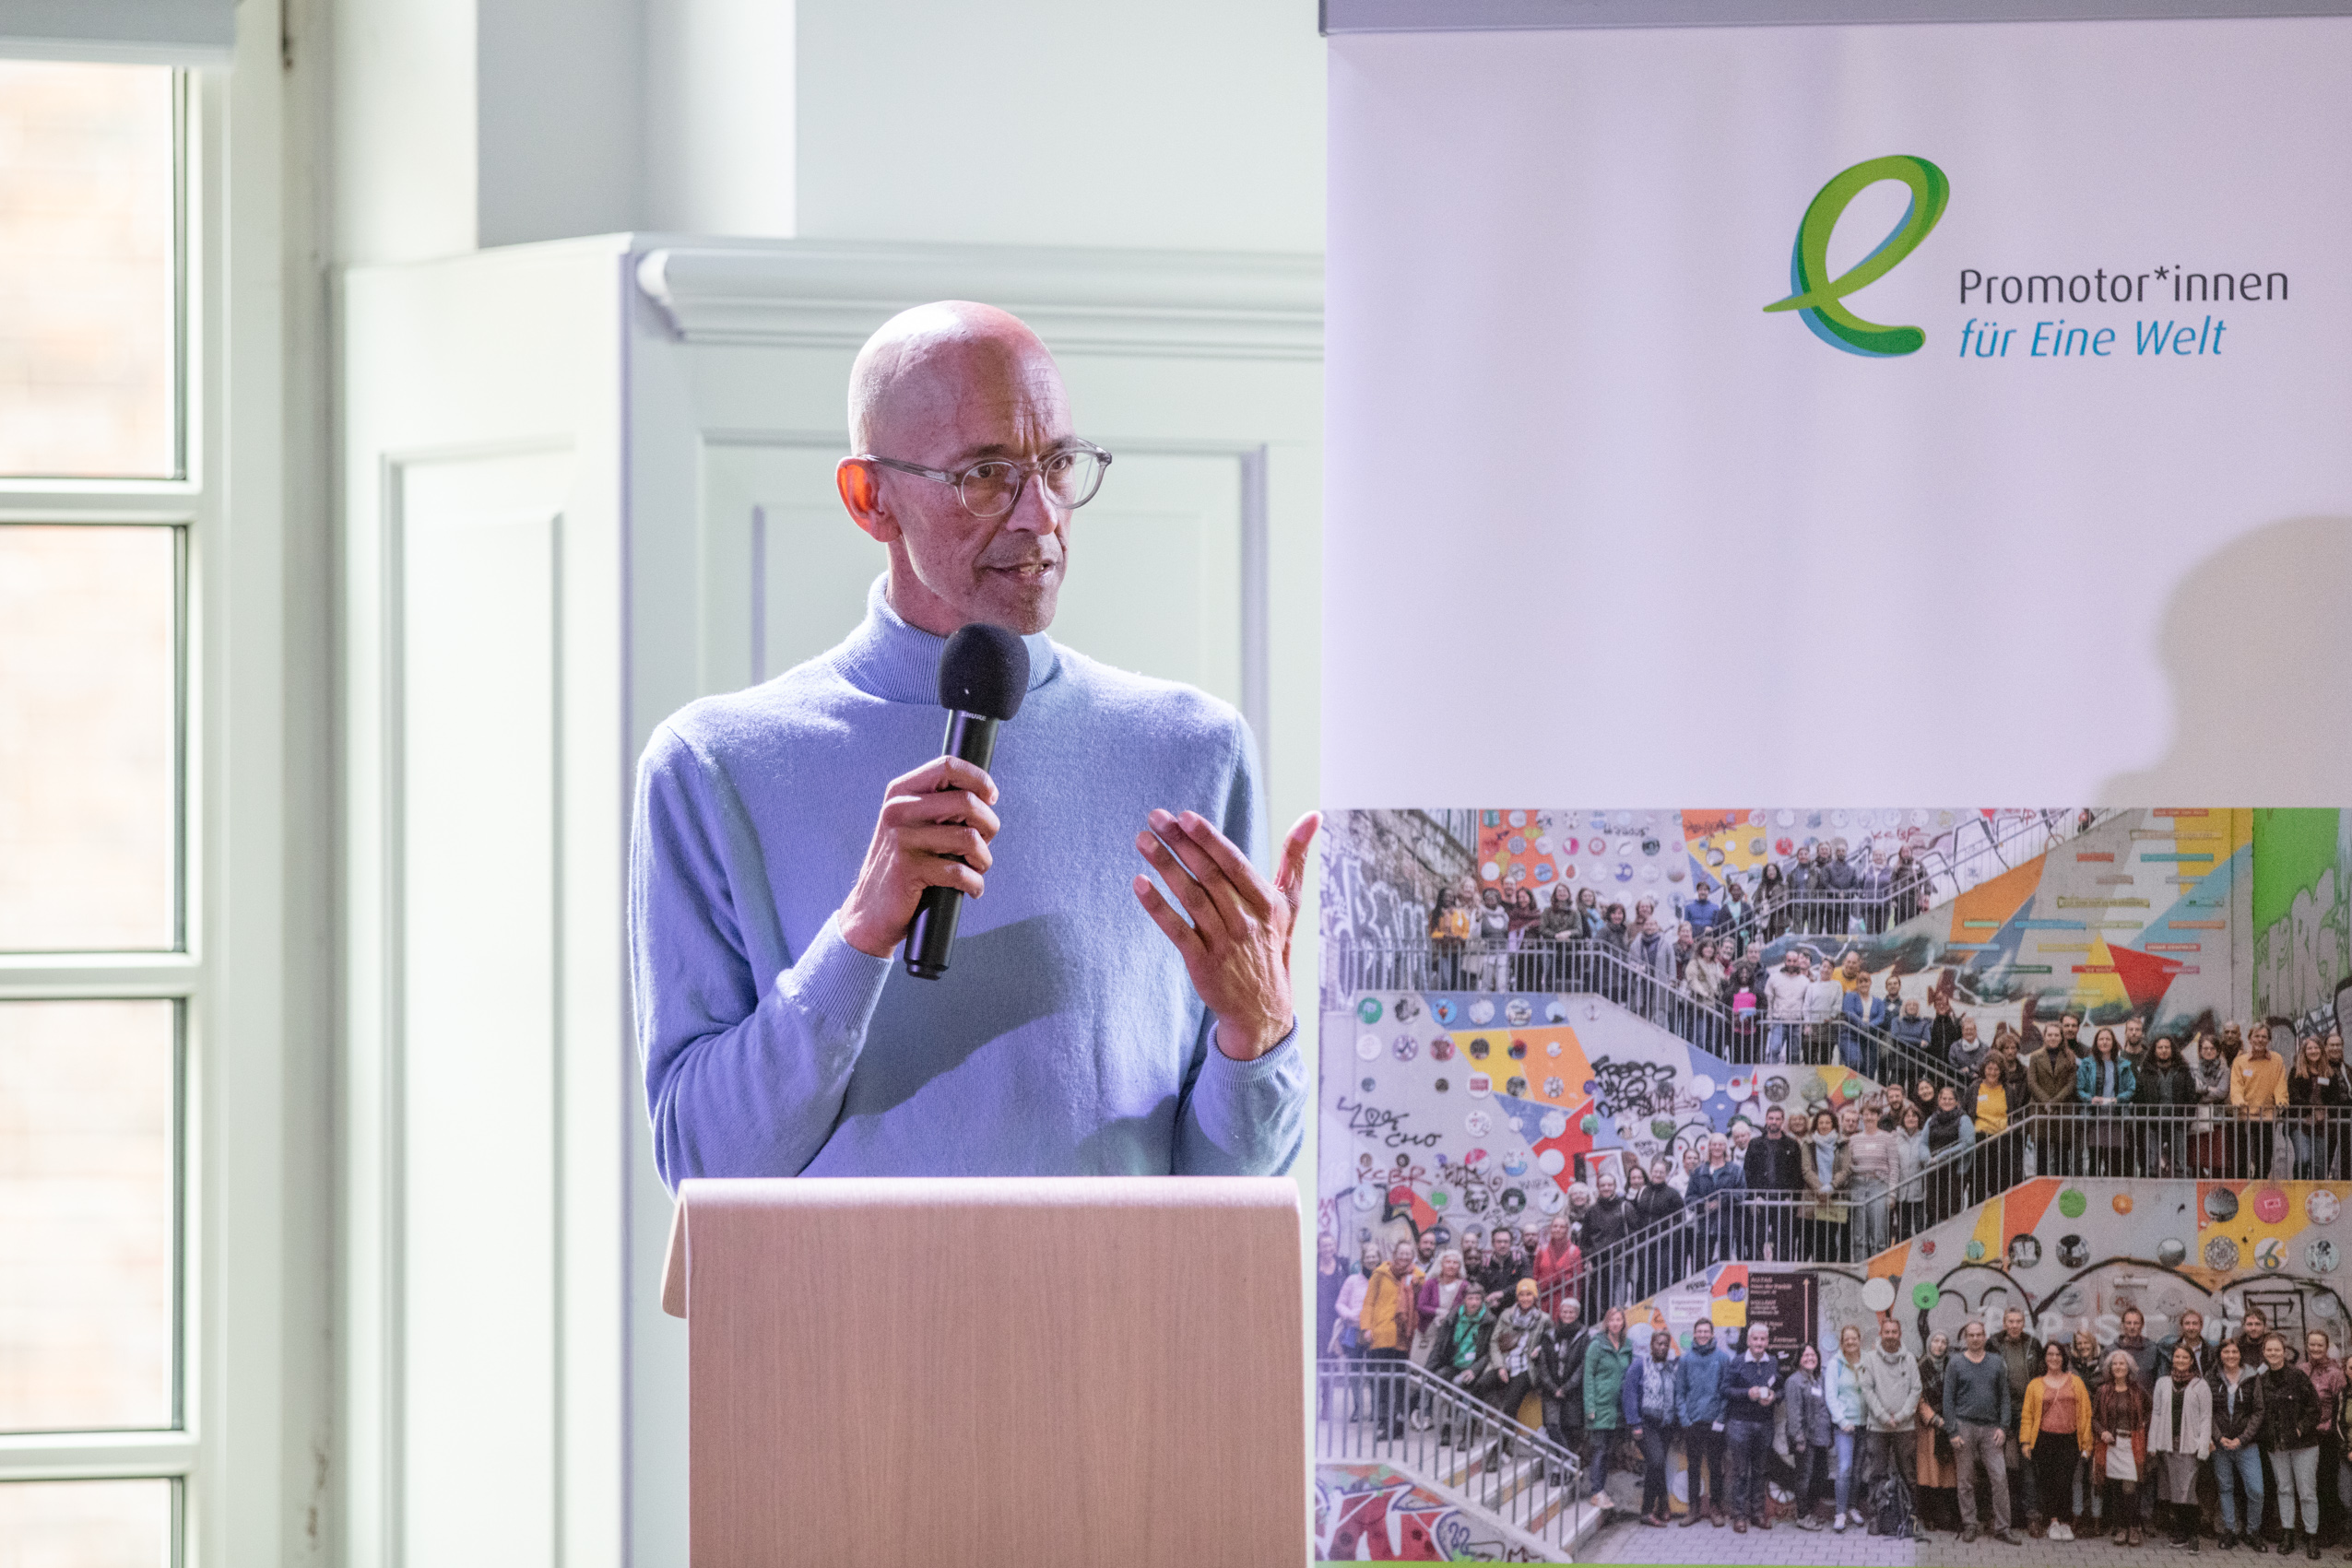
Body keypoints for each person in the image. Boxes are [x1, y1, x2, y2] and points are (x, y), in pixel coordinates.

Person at [632, 303, 1312, 1185]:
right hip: (839, 1285)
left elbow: (1227, 1197)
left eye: (1057, 465)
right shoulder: (711, 765)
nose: (1040, 515)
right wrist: (857, 938)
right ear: (870, 499)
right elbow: (699, 1163)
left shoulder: (1195, 751)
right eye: (987, 474)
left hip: (1120, 1285)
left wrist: (1258, 1035)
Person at [1949, 1318, 2021, 1543]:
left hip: (1991, 1428)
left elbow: (2004, 1397)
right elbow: (1948, 1400)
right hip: (1964, 1426)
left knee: (1999, 1478)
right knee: (1965, 1480)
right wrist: (1952, 1431)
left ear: (1985, 1336)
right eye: (1971, 1335)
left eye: (1979, 1334)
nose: (1975, 1339)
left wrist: (2003, 1427)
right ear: (1965, 1338)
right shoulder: (1956, 1363)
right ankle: (1970, 1524)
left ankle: (2002, 1528)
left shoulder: (1996, 1362)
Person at [2022, 1338, 2094, 1540]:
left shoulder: (2076, 1382)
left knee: (2066, 1481)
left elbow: (2086, 1414)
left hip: (2069, 1439)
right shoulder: (2035, 1385)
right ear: (2044, 1358)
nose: (2054, 1358)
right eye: (2050, 1354)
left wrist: (2087, 1442)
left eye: (2058, 1355)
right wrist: (2025, 1442)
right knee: (2048, 1482)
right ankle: (2053, 1522)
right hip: (2044, 1439)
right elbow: (2027, 1415)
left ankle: (2066, 1523)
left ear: (2064, 1358)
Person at [2266, 1332, 2327, 1559]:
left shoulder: (2297, 1376)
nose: (2273, 1353)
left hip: (2304, 1445)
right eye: (2269, 1350)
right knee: (2284, 1489)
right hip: (2277, 1445)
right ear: (2264, 1353)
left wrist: (2300, 1429)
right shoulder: (2263, 1380)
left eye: (2277, 1349)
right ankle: (2288, 1534)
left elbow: (2315, 1408)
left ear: (2284, 1352)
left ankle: (2311, 1537)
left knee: (2307, 1492)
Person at [1860, 1315, 1923, 1534]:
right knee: (1876, 1474)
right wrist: (1883, 1416)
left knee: (1909, 1473)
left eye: (1894, 1332)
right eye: (1886, 1332)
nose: (1890, 1336)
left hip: (1905, 1427)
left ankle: (1911, 1518)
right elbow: (1867, 1389)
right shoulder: (1870, 1359)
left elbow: (1916, 1389)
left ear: (1900, 1334)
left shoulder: (1910, 1359)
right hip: (1878, 1427)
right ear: (1881, 1334)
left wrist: (1903, 1415)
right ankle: (1877, 1517)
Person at [2151, 1341, 2216, 1550]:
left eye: (2184, 1357)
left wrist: (2203, 1446)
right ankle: (2181, 1531)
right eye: (2177, 1356)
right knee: (2173, 1490)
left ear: (2191, 1361)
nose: (2180, 1360)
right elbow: (2156, 1413)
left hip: (2190, 1446)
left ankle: (2192, 1533)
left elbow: (2206, 1418)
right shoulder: (2162, 1383)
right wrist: (2153, 1442)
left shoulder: (2200, 1385)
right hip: (2168, 1444)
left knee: (2187, 1490)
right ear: (2172, 1359)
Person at [1359, 1237, 1423, 1439]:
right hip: (1380, 1336)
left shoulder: (1418, 1277)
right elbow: (1369, 1303)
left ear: (1412, 1256)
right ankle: (1385, 1421)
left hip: (1403, 1338)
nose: (1404, 1257)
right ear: (1394, 1255)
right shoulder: (1380, 1274)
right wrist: (1366, 1328)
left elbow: (1420, 1303)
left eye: (1408, 1254)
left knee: (1400, 1385)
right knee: (1382, 1383)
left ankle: (1397, 1423)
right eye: (1401, 1253)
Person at [2214, 1337, 2271, 1552]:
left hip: (2247, 1445)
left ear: (2240, 1355)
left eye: (2234, 1352)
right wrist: (2218, 1437)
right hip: (2220, 1445)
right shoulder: (2213, 1377)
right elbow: (2208, 1410)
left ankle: (2252, 1531)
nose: (2231, 1356)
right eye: (2226, 1352)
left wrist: (2243, 1438)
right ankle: (2229, 1530)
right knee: (2225, 1488)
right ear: (2220, 1355)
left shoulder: (2252, 1376)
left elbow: (2259, 1410)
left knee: (2256, 1490)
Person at [1724, 1326, 1782, 1533]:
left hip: (1764, 1424)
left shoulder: (1773, 1362)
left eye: (1762, 1339)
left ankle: (1757, 1514)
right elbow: (1725, 1390)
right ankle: (1739, 1516)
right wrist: (1747, 1394)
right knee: (1741, 1472)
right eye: (1755, 1339)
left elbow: (1781, 1389)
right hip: (1740, 1424)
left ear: (1767, 1342)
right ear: (1748, 1341)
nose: (1759, 1343)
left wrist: (1774, 1397)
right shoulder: (1737, 1362)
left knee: (1760, 1471)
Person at [1426, 1279, 1495, 1446]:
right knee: (1438, 1379)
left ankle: (1463, 1432)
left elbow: (1490, 1351)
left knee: (1459, 1385)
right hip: (1455, 1363)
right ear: (1464, 1299)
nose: (1474, 1302)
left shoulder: (1489, 1320)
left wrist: (1475, 1369)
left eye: (1477, 1299)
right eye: (1470, 1298)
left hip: (1475, 1367)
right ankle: (1443, 1425)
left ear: (1482, 1300)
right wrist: (1428, 1369)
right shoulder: (1453, 1317)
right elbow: (1440, 1345)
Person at [1624, 1326, 1680, 1527]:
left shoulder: (1671, 1368)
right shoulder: (1640, 1365)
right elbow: (1629, 1394)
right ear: (1651, 1345)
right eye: (1659, 1344)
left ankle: (1663, 1505)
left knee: (1659, 1464)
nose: (1662, 1347)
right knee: (1656, 1462)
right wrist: (1635, 1424)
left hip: (1666, 1425)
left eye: (1666, 1344)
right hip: (1646, 1424)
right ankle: (1647, 1511)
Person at [1994, 1308, 2044, 1531]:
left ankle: (2032, 1516)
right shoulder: (1994, 1344)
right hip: (2003, 1410)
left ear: (2023, 1323)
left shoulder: (2033, 1344)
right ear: (2004, 1323)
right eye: (2010, 1321)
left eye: (2018, 1321)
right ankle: (2005, 1515)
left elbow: (2041, 1374)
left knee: (2028, 1464)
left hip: (2028, 1411)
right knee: (2001, 1466)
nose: (2014, 1325)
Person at [1676, 1320, 1731, 1527]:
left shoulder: (1722, 1359)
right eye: (1699, 1331)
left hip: (1715, 1421)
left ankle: (1715, 1508)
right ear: (1694, 1334)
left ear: (1712, 1334)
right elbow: (1680, 1392)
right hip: (1692, 1422)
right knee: (1693, 1467)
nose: (1702, 1334)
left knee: (1715, 1467)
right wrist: (1685, 1420)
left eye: (1706, 1331)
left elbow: (1726, 1392)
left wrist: (1721, 1418)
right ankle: (1694, 1509)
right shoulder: (1685, 1360)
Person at [2096, 1349, 2153, 1546]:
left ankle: (2134, 1527)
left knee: (2130, 1487)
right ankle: (2121, 1527)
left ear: (2129, 1368)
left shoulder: (2138, 1390)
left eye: (2122, 1363)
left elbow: (2151, 1410)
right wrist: (2102, 1431)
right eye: (2115, 1364)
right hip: (2112, 1445)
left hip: (2132, 1444)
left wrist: (2144, 1423)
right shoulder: (2103, 1391)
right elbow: (2094, 1417)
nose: (2118, 1367)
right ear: (2109, 1368)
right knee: (2117, 1489)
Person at [1583, 1306, 1635, 1514]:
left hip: (1617, 1408)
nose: (1615, 1323)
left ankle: (1601, 1490)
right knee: (1599, 1449)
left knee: (1608, 1450)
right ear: (1606, 1323)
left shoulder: (1627, 1345)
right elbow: (1588, 1377)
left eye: (1619, 1320)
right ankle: (1596, 1491)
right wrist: (1590, 1406)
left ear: (1623, 1322)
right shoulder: (1597, 1345)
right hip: (1600, 1405)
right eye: (1612, 1320)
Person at [1409, 1248, 1469, 1424]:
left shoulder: (1464, 1286)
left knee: (1438, 1375)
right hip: (1428, 1335)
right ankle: (1421, 1412)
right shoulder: (1431, 1284)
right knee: (1422, 1372)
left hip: (1449, 1338)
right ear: (1441, 1264)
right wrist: (1438, 1311)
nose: (1451, 1266)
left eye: (1455, 1263)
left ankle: (1439, 1415)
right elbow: (1421, 1306)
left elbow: (1465, 1309)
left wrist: (1450, 1314)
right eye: (1448, 1262)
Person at [1743, 1105, 1805, 1263]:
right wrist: (1754, 1196)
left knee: (1784, 1242)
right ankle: (1756, 1273)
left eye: (1777, 1119)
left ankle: (1783, 1273)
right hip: (1760, 1201)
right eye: (1771, 1118)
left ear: (1783, 1121)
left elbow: (1797, 1175)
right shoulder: (1755, 1144)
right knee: (1756, 1241)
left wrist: (1792, 1198)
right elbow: (1748, 1172)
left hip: (1784, 1201)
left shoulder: (1792, 1145)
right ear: (1766, 1119)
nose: (1774, 1122)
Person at [1783, 1342, 1834, 1530]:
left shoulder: (1818, 1379)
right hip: (1804, 1439)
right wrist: (1798, 1438)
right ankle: (1802, 1516)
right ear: (1799, 1360)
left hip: (1820, 1437)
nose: (1810, 1358)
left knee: (1821, 1475)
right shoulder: (1794, 1381)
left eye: (1813, 1355)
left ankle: (1810, 1512)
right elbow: (1794, 1413)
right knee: (1804, 1477)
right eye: (1806, 1355)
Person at [2303, 1330, 2346, 1551]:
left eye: (2320, 1345)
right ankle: (2311, 1528)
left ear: (2326, 1347)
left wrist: (2328, 1429)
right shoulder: (2302, 1370)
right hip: (2306, 1436)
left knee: (2326, 1483)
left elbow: (2341, 1407)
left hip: (2327, 1437)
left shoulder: (2336, 1374)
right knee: (2309, 1484)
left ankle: (2329, 1530)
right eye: (2312, 1344)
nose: (2315, 1349)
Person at [1917, 1330, 1961, 1538]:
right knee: (1930, 1473)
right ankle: (1929, 1516)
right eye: (1936, 1341)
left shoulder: (1953, 1366)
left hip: (1950, 1426)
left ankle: (1950, 1517)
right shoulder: (1921, 1367)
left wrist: (1950, 1419)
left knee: (1949, 1474)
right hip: (1929, 1428)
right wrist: (1934, 1418)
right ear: (1929, 1344)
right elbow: (1918, 1397)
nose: (1939, 1345)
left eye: (1944, 1342)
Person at [2235, 1022, 2292, 1180]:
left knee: (2265, 1159)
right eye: (2257, 1036)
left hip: (2266, 1116)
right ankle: (2244, 1186)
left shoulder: (2276, 1060)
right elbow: (2236, 1084)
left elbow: (2280, 1084)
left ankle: (2259, 1184)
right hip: (2245, 1116)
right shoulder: (2240, 1061)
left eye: (2264, 1037)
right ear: (2250, 1039)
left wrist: (2281, 1101)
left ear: (2268, 1040)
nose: (2260, 1040)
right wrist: (2238, 1099)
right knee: (2242, 1158)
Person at [1826, 1322, 1869, 1531]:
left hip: (1865, 1424)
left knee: (1858, 1470)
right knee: (1844, 1468)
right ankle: (1840, 1513)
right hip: (1845, 1426)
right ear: (1842, 1343)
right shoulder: (1835, 1364)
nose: (1850, 1342)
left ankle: (1852, 1507)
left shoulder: (1867, 1361)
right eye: (1846, 1339)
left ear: (1860, 1340)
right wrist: (1842, 1421)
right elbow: (1830, 1396)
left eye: (1854, 1338)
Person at [2079, 1025, 2137, 1176]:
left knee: (2114, 1162)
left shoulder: (2123, 1064)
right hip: (2095, 1117)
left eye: (2108, 1039)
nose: (2104, 1042)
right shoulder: (2087, 1064)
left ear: (2113, 1042)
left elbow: (2131, 1088)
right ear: (2096, 1042)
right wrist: (2090, 1099)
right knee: (2094, 1161)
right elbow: (2079, 1088)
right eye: (2101, 1039)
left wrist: (2118, 1099)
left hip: (2116, 1117)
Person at [1847, 1095, 1900, 1258]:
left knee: (1879, 1234)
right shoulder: (1853, 1139)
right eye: (1866, 1114)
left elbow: (1894, 1167)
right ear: (1862, 1117)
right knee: (1859, 1235)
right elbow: (1848, 1165)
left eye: (1873, 1114)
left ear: (1878, 1116)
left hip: (1879, 1186)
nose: (1869, 1117)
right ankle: (1861, 1268)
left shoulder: (1888, 1138)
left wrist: (1892, 1193)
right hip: (1858, 1186)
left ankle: (1879, 1270)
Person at [2290, 1034, 2349, 1181]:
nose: (2313, 1051)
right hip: (2301, 1122)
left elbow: (2335, 1097)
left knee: (2319, 1166)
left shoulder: (2329, 1073)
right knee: (2304, 1158)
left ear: (2321, 1050)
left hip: (2323, 1126)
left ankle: (2317, 1193)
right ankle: (2299, 1188)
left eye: (2316, 1048)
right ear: (2304, 1051)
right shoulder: (2296, 1071)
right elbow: (2293, 1096)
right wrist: (2311, 1111)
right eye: (2309, 1048)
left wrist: (2325, 1112)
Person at [2027, 1021, 2082, 1179]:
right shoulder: (2035, 1057)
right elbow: (2032, 1082)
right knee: (2041, 1158)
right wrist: (2046, 1101)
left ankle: (2060, 1190)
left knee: (2062, 1158)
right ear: (2044, 1036)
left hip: (2062, 1112)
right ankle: (2042, 1190)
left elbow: (2072, 1083)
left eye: (2056, 1035)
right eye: (2050, 1035)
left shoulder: (2070, 1056)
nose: (2053, 1038)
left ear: (2061, 1037)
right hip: (2041, 1112)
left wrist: (2056, 1101)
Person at [1333, 1240, 1379, 1416]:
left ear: (1379, 1258)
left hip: (1375, 1333)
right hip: (1354, 1331)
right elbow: (1340, 1304)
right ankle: (1358, 1408)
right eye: (1368, 1257)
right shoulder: (1352, 1280)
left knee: (1375, 1371)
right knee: (1355, 1371)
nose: (1371, 1260)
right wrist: (1350, 1315)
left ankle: (1376, 1408)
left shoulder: (1383, 1279)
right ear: (1362, 1260)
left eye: (1374, 1256)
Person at [1802, 1107, 1852, 1264]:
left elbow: (1846, 1169)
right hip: (1815, 1198)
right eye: (1821, 1123)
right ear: (1816, 1125)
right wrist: (1820, 1188)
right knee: (1818, 1240)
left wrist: (1831, 1186)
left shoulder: (1843, 1143)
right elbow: (1806, 1169)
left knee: (1833, 1240)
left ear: (1833, 1125)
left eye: (1827, 1123)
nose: (1824, 1126)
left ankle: (1832, 1272)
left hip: (1836, 1197)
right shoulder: (1808, 1144)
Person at [2142, 1034, 2196, 1177]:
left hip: (2177, 1123)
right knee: (2152, 1166)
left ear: (2173, 1050)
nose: (2164, 1050)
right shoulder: (2147, 1071)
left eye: (2167, 1047)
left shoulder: (2183, 1071)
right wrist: (2145, 1120)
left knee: (2180, 1166)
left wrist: (2186, 1121)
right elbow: (2139, 1097)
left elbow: (2191, 1097)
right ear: (2154, 1050)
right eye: (2160, 1047)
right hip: (2153, 1123)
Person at [1686, 1133, 1743, 1267]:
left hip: (1727, 1224)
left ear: (1725, 1147)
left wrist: (1721, 1202)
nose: (1717, 1147)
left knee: (1725, 1264)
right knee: (1702, 1263)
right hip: (1704, 1225)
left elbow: (1741, 1192)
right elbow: (1689, 1197)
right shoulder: (1698, 1171)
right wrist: (1703, 1205)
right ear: (1709, 1147)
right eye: (1714, 1144)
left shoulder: (1736, 1170)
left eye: (1721, 1144)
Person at [1630, 1156, 1683, 1299]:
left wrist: (1671, 1238)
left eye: (1661, 1172)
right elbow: (1635, 1213)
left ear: (1666, 1174)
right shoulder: (1643, 1191)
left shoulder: (1673, 1194)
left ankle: (1660, 1304)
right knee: (1644, 1275)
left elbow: (1679, 1219)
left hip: (1664, 1243)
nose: (1658, 1175)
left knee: (1662, 1275)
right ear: (1651, 1172)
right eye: (1655, 1171)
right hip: (1644, 1242)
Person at [1582, 1171, 1633, 1311]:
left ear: (1615, 1186)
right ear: (1598, 1187)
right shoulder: (1591, 1211)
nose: (1606, 1188)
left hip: (1619, 1262)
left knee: (1618, 1307)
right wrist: (1587, 1259)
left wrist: (1628, 1256)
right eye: (1603, 1185)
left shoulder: (1625, 1207)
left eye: (1609, 1185)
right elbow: (1585, 1239)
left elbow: (1634, 1234)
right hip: (1598, 1265)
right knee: (1602, 1308)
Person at [1970, 1054, 2015, 1204]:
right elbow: (1967, 1110)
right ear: (1984, 1069)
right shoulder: (1975, 1087)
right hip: (1980, 1140)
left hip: (2001, 1140)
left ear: (2001, 1071)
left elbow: (2014, 1112)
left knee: (1999, 1182)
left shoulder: (2007, 1090)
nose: (1992, 1072)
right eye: (1989, 1068)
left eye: (1996, 1069)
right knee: (1978, 1183)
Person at [2195, 1032, 2236, 1177]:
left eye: (2212, 1048)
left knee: (2217, 1159)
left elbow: (2222, 1092)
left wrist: (2203, 1090)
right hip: (2198, 1119)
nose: (2208, 1051)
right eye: (2205, 1048)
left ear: (2218, 1051)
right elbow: (2194, 1091)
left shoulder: (2225, 1070)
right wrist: (2209, 1089)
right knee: (2198, 1159)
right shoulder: (2194, 1069)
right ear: (2200, 1050)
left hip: (2218, 1119)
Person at [1891, 1101, 1931, 1241]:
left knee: (1920, 1228)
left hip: (1919, 1191)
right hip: (1901, 1192)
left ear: (1919, 1119)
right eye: (1907, 1116)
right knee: (1903, 1229)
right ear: (1903, 1119)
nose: (1911, 1119)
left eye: (1914, 1116)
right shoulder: (1896, 1138)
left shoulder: (1924, 1137)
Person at [1764, 948, 1810, 1066]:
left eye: (1794, 961)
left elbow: (1807, 1004)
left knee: (1794, 1055)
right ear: (1785, 961)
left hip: (1796, 1023)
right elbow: (1769, 1000)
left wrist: (1806, 1024)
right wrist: (1769, 1020)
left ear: (1798, 962)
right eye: (1789, 961)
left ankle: (1792, 1076)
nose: (1792, 964)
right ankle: (1771, 1073)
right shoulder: (1774, 978)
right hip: (1779, 1021)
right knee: (1774, 1050)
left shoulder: (1805, 981)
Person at [1533, 1216, 1581, 1311]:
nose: (1558, 1229)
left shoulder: (1574, 1251)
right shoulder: (1542, 1250)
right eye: (1555, 1226)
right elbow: (1535, 1276)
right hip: (1543, 1301)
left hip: (1565, 1304)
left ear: (1567, 1229)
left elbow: (1578, 1282)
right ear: (1551, 1228)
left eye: (1562, 1227)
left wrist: (1573, 1305)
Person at [1757, 860, 1791, 941]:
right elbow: (1756, 902)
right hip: (1766, 921)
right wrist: (1761, 908)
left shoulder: (1783, 885)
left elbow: (1785, 902)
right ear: (1766, 873)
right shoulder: (1762, 886)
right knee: (1768, 944)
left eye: (1773, 870)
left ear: (1777, 871)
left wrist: (1769, 906)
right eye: (1769, 870)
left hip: (1780, 920)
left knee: (1780, 944)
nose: (1771, 872)